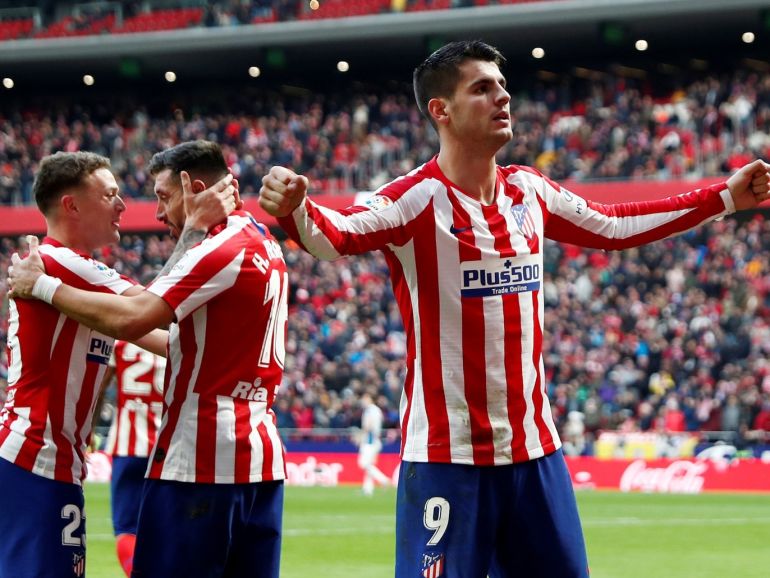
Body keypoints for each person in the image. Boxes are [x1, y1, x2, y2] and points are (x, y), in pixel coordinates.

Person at [258, 40, 770, 577]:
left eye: (502, 86)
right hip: (445, 459)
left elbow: (615, 224)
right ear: (441, 110)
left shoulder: (529, 191)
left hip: (535, 454)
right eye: (482, 88)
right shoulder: (411, 200)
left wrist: (724, 197)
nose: (503, 97)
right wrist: (296, 209)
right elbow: (335, 234)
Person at [9, 140, 289, 578]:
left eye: (158, 197)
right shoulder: (58, 262)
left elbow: (149, 325)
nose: (127, 206)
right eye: (109, 195)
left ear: (191, 188)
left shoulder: (66, 275)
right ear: (71, 206)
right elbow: (143, 316)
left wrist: (42, 288)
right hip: (35, 457)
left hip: (84, 459)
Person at [98, 340, 166, 577]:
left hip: (128, 444)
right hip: (169, 450)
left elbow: (100, 385)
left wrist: (88, 430)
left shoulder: (121, 342)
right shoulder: (183, 337)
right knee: (167, 528)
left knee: (127, 528)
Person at [357, 391, 390, 496]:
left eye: (365, 398)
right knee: (369, 465)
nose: (363, 401)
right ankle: (368, 489)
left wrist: (360, 437)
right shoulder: (378, 410)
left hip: (369, 441)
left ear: (370, 399)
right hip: (376, 440)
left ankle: (383, 479)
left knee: (363, 464)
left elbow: (368, 425)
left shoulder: (369, 410)